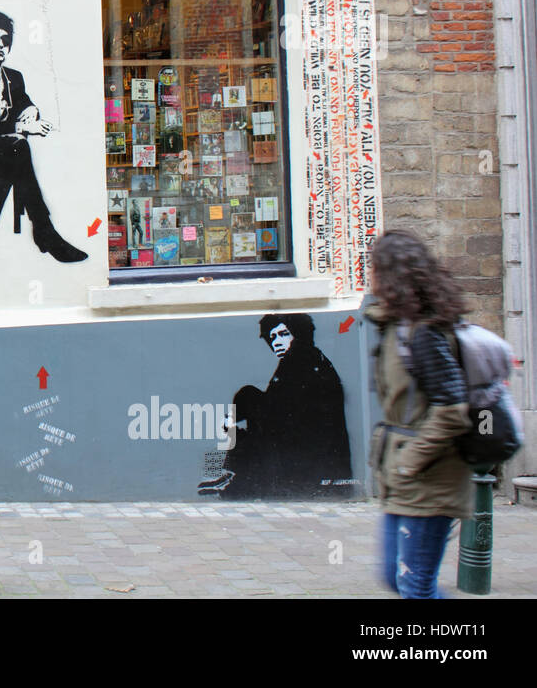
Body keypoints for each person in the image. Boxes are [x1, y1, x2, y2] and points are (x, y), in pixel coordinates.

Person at [366, 230, 474, 599]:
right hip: (406, 479)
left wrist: (409, 462)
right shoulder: (396, 327)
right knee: (395, 577)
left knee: (415, 587)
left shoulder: (424, 334)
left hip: (431, 478)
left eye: (374, 268)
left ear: (390, 274)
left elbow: (452, 410)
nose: (369, 276)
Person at [0, 9, 87, 280]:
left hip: (6, 149)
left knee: (17, 150)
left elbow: (24, 101)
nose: (1, 44)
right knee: (18, 147)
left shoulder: (14, 77)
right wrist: (21, 127)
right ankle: (44, 231)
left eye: (6, 39)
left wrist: (32, 112)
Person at [199, 313, 352, 498]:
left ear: (298, 333)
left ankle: (233, 478)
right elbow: (278, 406)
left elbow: (279, 410)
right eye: (272, 337)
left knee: (247, 399)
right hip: (303, 448)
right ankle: (232, 475)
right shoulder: (304, 358)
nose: (276, 342)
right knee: (247, 406)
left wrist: (237, 419)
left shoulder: (300, 358)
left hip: (307, 457)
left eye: (283, 334)